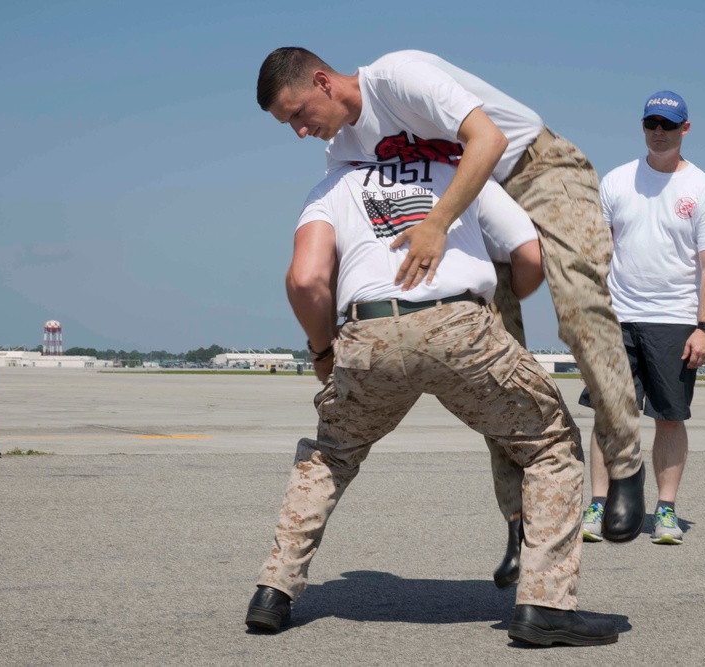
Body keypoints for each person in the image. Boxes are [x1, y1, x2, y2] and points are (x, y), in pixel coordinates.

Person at [255, 48, 647, 567]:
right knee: (498, 365)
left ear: (324, 82)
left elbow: (489, 139)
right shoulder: (343, 149)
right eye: (289, 125)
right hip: (472, 203)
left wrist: (437, 225)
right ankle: (519, 521)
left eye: (298, 114)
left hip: (533, 169)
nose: (300, 132)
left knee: (578, 304)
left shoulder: (397, 77)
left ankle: (624, 462)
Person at [245, 158, 618, 646]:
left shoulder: (334, 186)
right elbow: (529, 255)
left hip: (369, 330)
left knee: (331, 456)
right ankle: (545, 605)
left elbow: (305, 279)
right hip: (457, 327)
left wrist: (322, 351)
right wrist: (498, 314)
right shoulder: (460, 173)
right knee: (550, 445)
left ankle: (274, 591)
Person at [579, 91, 705, 545]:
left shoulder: (702, 188)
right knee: (609, 416)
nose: (658, 131)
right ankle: (598, 504)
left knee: (669, 417)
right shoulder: (617, 181)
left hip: (675, 322)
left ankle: (665, 511)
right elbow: (595, 252)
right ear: (642, 126)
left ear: (685, 128)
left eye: (668, 124)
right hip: (617, 318)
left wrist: (704, 328)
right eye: (651, 123)